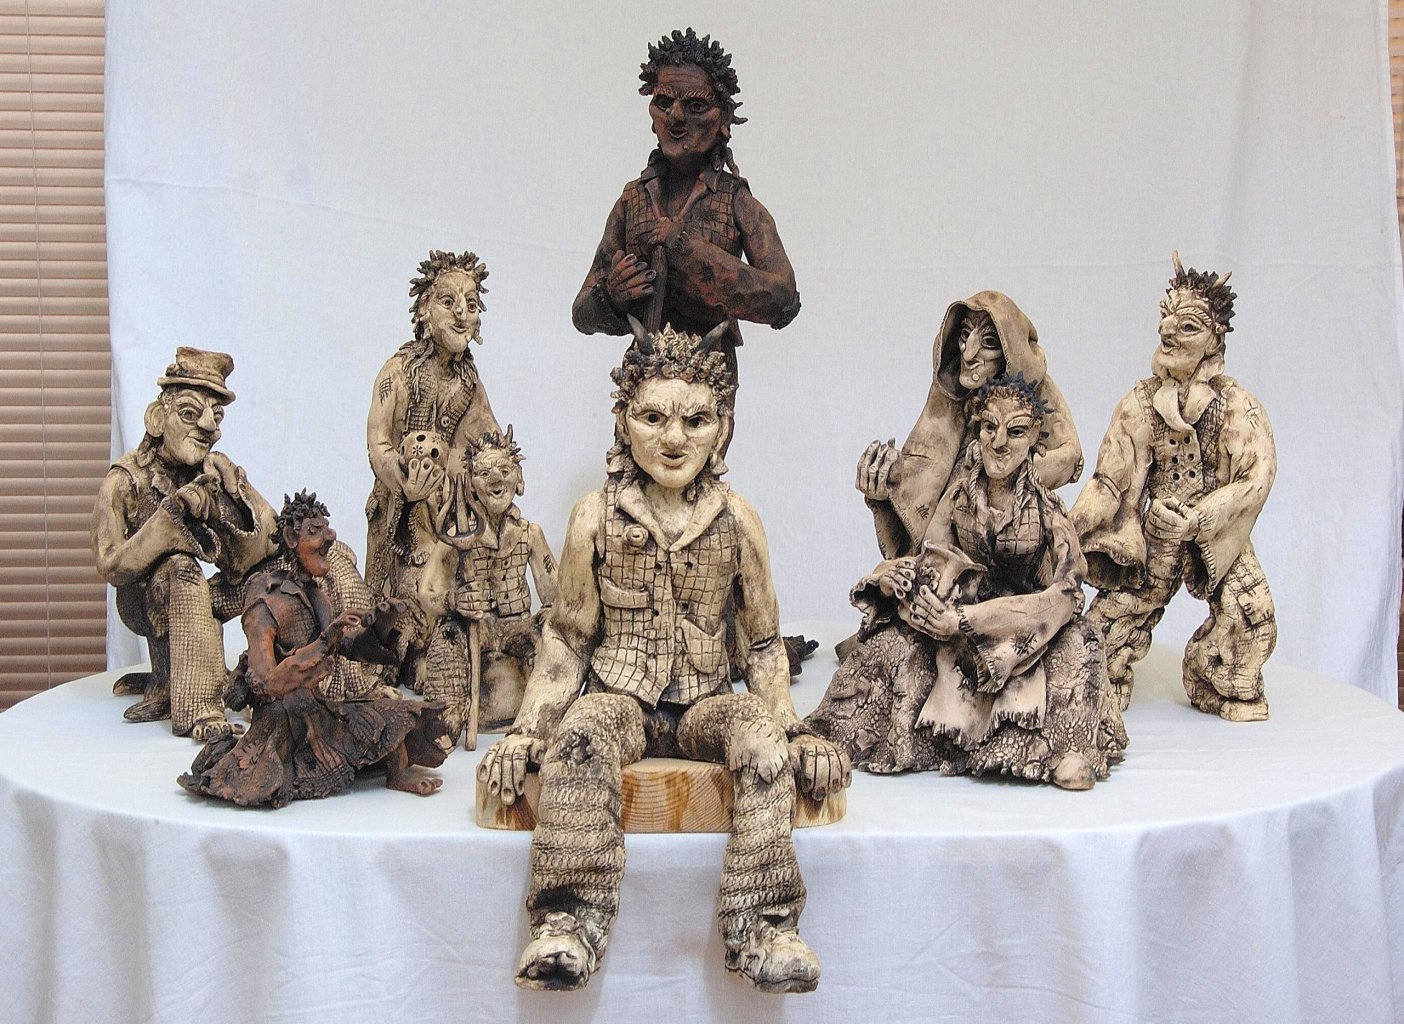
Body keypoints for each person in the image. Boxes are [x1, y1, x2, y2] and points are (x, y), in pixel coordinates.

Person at [478, 323, 849, 994]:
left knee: (761, 744)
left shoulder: (738, 521)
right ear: (624, 421)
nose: (674, 439)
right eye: (653, 418)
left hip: (706, 702)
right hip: (619, 696)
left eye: (695, 420)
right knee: (579, 740)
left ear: (722, 427)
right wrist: (529, 730)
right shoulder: (594, 516)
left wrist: (792, 728)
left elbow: (763, 643)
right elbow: (568, 639)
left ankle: (764, 927)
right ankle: (567, 921)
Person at [809, 374, 1126, 789]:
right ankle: (838, 735)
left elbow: (1066, 592)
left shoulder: (1046, 509)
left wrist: (968, 620)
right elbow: (930, 557)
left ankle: (1062, 750)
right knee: (888, 646)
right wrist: (901, 584)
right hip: (955, 625)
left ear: (1036, 440)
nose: (999, 443)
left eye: (1015, 432)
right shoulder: (959, 498)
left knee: (1081, 643)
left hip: (1020, 629)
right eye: (989, 427)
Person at [1071, 254, 1276, 721]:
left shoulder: (1236, 405)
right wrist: (1070, 529)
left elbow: (1256, 477)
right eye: (1166, 317)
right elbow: (1110, 480)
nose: (1168, 331)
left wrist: (1200, 520)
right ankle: (1101, 685)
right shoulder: (1140, 403)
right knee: (1109, 623)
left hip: (1216, 537)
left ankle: (1218, 681)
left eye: (1187, 326)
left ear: (1214, 339)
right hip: (1155, 536)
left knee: (1253, 613)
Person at [179, 492, 447, 807]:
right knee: (264, 777)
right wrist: (324, 641)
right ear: (291, 539)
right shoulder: (265, 599)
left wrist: (381, 625)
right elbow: (268, 681)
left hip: (319, 710)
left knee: (403, 714)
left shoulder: (317, 596)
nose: (329, 536)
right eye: (315, 531)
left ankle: (396, 775)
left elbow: (348, 647)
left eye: (326, 528)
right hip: (280, 721)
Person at [571, 28, 800, 384]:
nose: (675, 117)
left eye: (695, 106)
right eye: (664, 102)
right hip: (643, 379)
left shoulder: (736, 202)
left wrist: (685, 248)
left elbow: (783, 299)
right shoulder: (632, 200)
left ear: (723, 119)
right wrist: (611, 296)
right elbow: (581, 313)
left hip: (708, 381)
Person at [92, 347, 276, 740]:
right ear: (157, 419)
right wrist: (162, 528)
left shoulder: (212, 470)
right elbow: (109, 564)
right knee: (182, 568)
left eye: (216, 417)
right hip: (145, 601)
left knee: (280, 573)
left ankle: (288, 684)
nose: (209, 428)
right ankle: (200, 709)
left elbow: (274, 539)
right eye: (190, 414)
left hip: (197, 596)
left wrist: (237, 497)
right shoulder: (124, 480)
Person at [855, 291, 1082, 560]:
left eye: (988, 342)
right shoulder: (948, 393)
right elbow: (923, 503)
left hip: (1015, 546)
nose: (968, 352)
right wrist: (887, 487)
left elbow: (1070, 456)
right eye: (964, 335)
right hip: (951, 548)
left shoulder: (1033, 392)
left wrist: (998, 474)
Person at [365, 250, 500, 607]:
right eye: (448, 302)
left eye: (471, 305)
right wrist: (403, 481)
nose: (461, 313)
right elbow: (378, 443)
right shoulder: (398, 371)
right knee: (394, 604)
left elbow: (490, 440)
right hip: (399, 507)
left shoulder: (468, 381)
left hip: (451, 510)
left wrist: (499, 470)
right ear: (425, 309)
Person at [418, 428, 558, 741]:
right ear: (470, 483)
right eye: (484, 473)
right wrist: (454, 601)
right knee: (447, 637)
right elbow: (427, 593)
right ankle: (447, 720)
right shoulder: (457, 536)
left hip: (517, 625)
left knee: (551, 637)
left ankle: (540, 717)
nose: (496, 480)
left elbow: (555, 594)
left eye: (504, 471)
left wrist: (549, 618)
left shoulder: (529, 534)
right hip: (476, 628)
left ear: (518, 478)